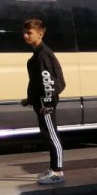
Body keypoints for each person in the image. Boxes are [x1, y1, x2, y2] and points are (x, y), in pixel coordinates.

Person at [20, 18, 66, 185]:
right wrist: (30, 99)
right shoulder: (37, 55)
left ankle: (58, 172)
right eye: (24, 33)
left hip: (46, 104)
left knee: (52, 135)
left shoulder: (44, 55)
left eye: (29, 33)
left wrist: (46, 104)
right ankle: (53, 168)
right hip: (41, 102)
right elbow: (38, 82)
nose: (25, 36)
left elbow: (50, 82)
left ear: (40, 33)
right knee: (48, 135)